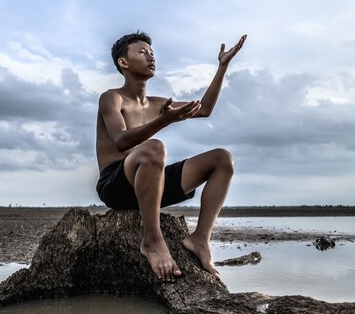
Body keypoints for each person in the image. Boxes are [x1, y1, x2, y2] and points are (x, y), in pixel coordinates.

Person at [96, 31, 247, 283]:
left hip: (149, 182)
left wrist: (222, 66)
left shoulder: (156, 103)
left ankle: (200, 239)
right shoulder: (111, 97)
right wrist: (164, 121)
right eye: (142, 51)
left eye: (152, 52)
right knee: (154, 148)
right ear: (123, 63)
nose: (150, 56)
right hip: (116, 183)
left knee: (222, 159)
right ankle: (153, 241)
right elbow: (121, 140)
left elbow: (205, 109)